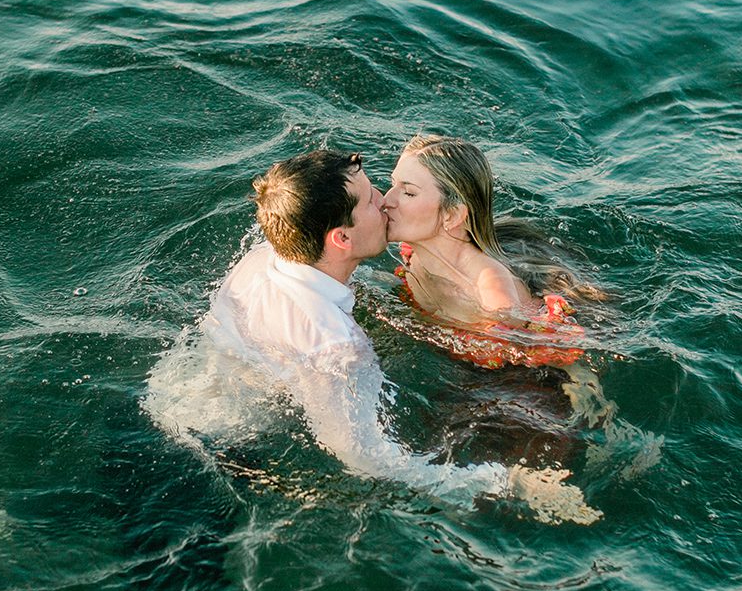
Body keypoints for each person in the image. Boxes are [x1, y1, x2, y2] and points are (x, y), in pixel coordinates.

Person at [148, 148, 601, 521]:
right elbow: (364, 457)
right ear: (341, 239)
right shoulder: (335, 345)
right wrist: (501, 480)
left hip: (162, 410)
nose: (383, 201)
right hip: (209, 469)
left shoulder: (270, 250)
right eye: (368, 201)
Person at [383, 134, 587, 371]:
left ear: (452, 215)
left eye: (408, 192)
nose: (387, 199)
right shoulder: (415, 256)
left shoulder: (490, 293)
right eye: (392, 183)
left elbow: (543, 359)